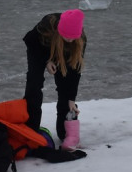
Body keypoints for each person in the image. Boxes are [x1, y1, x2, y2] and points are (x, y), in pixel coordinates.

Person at [23, 9, 86, 149]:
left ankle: (66, 132)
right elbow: (28, 40)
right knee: (35, 83)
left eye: (73, 37)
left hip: (63, 53)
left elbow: (75, 71)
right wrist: (46, 61)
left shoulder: (80, 40)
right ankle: (30, 128)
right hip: (40, 48)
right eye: (67, 36)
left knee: (66, 87)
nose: (70, 39)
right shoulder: (47, 26)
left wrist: (71, 99)